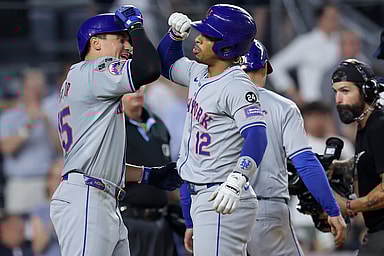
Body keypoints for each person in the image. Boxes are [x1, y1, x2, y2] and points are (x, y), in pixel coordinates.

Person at [50, 6, 183, 256]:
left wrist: (146, 176)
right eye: (120, 39)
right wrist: (135, 26)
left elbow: (99, 162)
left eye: (128, 40)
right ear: (96, 43)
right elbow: (148, 68)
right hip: (88, 199)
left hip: (101, 196)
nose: (128, 46)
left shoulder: (88, 83)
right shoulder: (92, 72)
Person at [158, 4, 268, 256]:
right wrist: (174, 36)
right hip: (203, 196)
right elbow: (165, 64)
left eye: (207, 36)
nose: (198, 38)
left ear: (227, 46)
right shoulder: (200, 73)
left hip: (221, 195)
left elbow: (257, 136)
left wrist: (238, 179)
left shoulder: (238, 86)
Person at [238, 39, 346, 255]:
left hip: (218, 213)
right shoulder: (282, 107)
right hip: (265, 211)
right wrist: (332, 209)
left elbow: (191, 162)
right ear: (265, 69)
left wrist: (192, 219)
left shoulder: (210, 104)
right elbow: (305, 163)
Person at [329, 58, 384, 256]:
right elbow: (370, 162)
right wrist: (336, 167)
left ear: (367, 91)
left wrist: (349, 205)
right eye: (336, 92)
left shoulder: (379, 126)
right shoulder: (365, 125)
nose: (338, 100)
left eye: (345, 91)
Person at [119, 89, 175, 256]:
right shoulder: (112, 126)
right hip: (130, 222)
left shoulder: (158, 124)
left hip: (162, 222)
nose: (138, 90)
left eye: (141, 84)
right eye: (131, 86)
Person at [0, 68, 60, 215]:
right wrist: (30, 123)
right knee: (19, 231)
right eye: (32, 87)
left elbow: (60, 148)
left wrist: (45, 120)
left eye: (39, 87)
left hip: (48, 183)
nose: (36, 92)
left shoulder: (52, 114)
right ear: (24, 89)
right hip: (20, 183)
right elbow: (7, 148)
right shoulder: (10, 116)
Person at [269, 4, 340, 105]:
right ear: (320, 18)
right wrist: (292, 92)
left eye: (336, 17)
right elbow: (275, 65)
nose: (334, 21)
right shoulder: (306, 43)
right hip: (311, 104)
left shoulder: (342, 42)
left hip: (336, 106)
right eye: (330, 17)